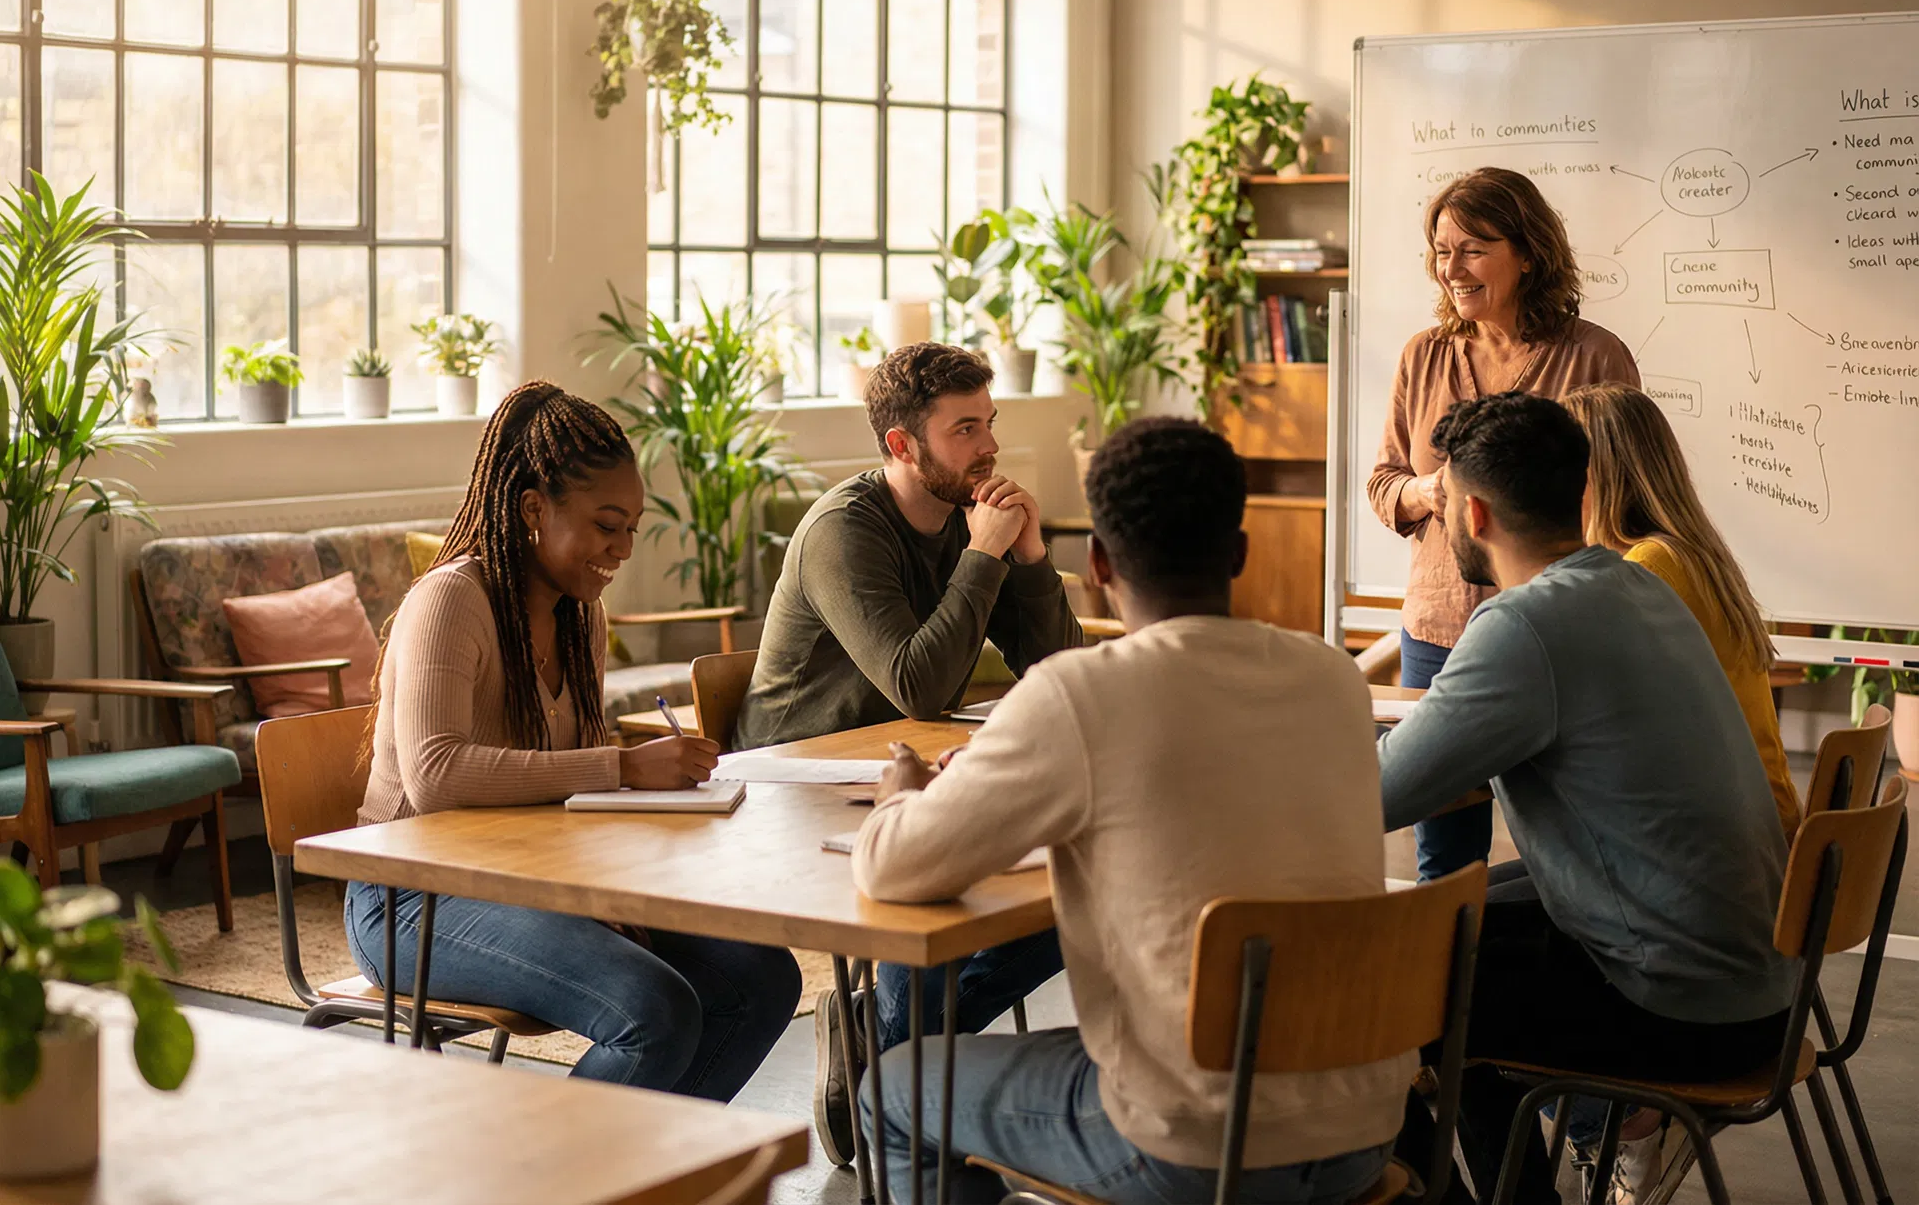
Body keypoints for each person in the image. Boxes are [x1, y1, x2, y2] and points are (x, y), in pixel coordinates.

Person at [852, 417, 1408, 1205]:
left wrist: (903, 790)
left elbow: (893, 867)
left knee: (897, 1087)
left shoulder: (1080, 695)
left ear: (1101, 565)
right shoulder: (1334, 680)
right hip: (1361, 1127)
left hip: (1192, 1143)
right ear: (1240, 553)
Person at [1379, 393, 1792, 1205]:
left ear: (1470, 510)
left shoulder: (1527, 625)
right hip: (1760, 983)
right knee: (1460, 917)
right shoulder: (1636, 586)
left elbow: (1375, 795)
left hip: (1683, 1011)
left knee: (1372, 987)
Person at [347, 381, 802, 1097]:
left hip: (530, 879)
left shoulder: (578, 614)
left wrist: (613, 884)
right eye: (605, 525)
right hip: (411, 898)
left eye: (632, 528)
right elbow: (437, 775)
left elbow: (572, 798)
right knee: (653, 1010)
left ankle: (639, 1174)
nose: (621, 548)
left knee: (763, 976)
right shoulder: (450, 601)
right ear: (533, 508)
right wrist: (622, 767)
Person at [736, 342, 1081, 1167]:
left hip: (904, 771)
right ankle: (901, 1094)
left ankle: (884, 1058)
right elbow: (917, 684)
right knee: (932, 896)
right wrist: (985, 555)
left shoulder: (974, 520)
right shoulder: (843, 531)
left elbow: (1062, 672)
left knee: (1077, 887)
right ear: (902, 445)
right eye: (965, 429)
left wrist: (1028, 556)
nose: (989, 446)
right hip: (797, 780)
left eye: (989, 423)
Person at [1369, 167, 1640, 883]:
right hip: (1437, 631)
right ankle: (1450, 985)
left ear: (1528, 251)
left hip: (1554, 631)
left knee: (1570, 841)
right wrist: (1429, 492)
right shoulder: (1421, 355)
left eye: (1472, 248)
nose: (1450, 268)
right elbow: (1382, 483)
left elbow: (1619, 501)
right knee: (1446, 857)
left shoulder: (1595, 356)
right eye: (1440, 249)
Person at [1564, 381, 1800, 839]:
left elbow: (1590, 719)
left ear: (1599, 474)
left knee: (1486, 897)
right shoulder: (1687, 552)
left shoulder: (1649, 567)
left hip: (1730, 846)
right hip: (1763, 824)